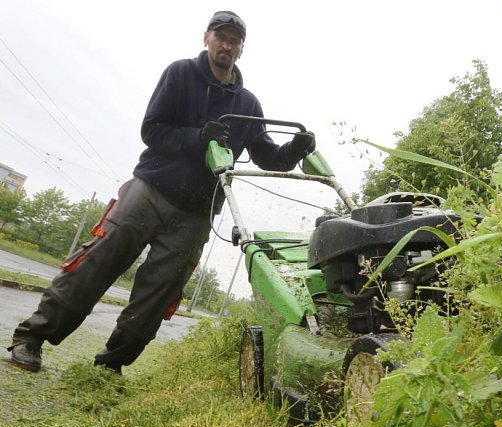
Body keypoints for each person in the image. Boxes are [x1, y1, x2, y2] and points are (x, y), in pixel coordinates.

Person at [7, 10, 315, 374]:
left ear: (241, 49)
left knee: (159, 293)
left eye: (234, 40)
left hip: (197, 213)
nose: (226, 45)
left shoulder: (248, 105)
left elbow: (267, 156)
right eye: (221, 37)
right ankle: (31, 338)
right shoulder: (180, 74)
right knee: (97, 263)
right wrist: (196, 137)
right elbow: (151, 130)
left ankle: (111, 364)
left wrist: (294, 150)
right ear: (207, 38)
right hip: (150, 189)